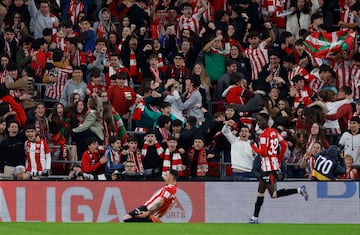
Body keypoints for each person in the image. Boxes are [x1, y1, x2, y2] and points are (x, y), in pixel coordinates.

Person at [249, 113, 308, 224]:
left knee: (274, 195)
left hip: (268, 168)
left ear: (266, 121)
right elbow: (284, 145)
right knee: (260, 192)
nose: (258, 123)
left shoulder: (263, 136)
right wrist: (278, 160)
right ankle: (254, 218)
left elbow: (263, 152)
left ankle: (299, 190)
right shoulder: (275, 132)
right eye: (257, 121)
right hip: (270, 166)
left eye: (260, 120)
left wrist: (253, 146)